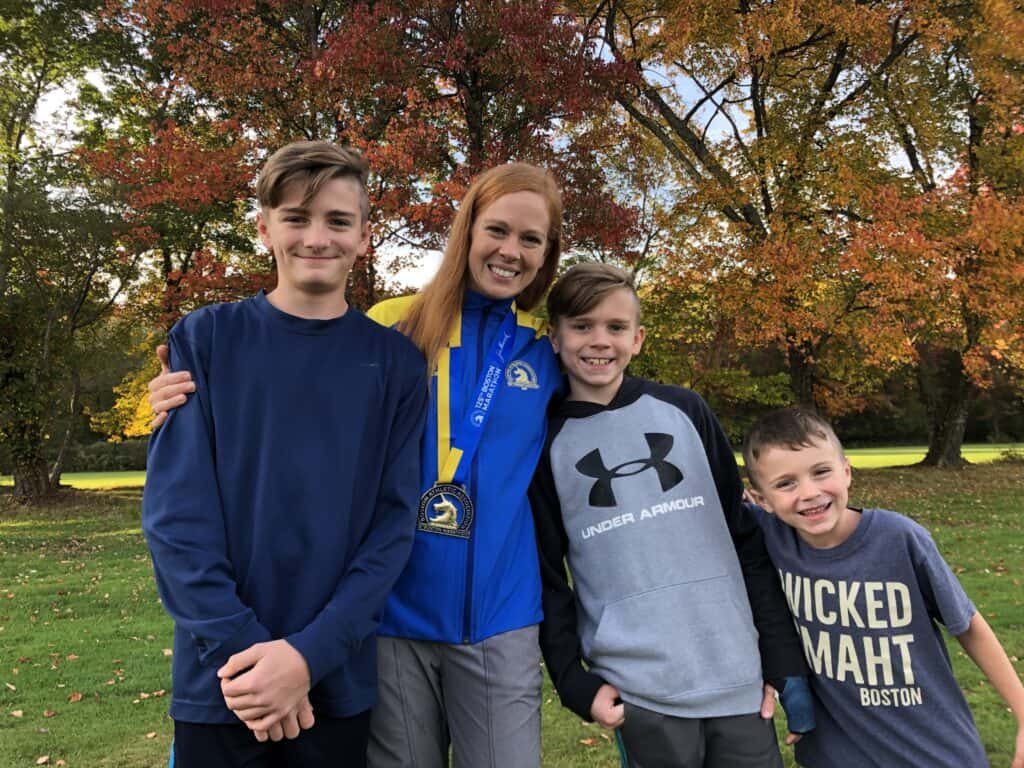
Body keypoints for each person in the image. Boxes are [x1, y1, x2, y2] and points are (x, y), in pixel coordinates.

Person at [147, 161, 565, 768]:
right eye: (497, 230)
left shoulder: (544, 350)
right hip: (378, 627)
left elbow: (602, 402)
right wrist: (167, 400)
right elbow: (187, 505)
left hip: (469, 622)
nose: (511, 250)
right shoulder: (397, 329)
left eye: (532, 239)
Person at [141, 140, 428, 768]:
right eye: (296, 218)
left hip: (334, 679)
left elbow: (391, 529)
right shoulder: (205, 339)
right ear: (265, 229)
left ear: (366, 236)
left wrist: (306, 658)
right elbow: (176, 520)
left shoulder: (397, 366)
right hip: (223, 683)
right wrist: (248, 655)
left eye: (337, 220)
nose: (316, 237)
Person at [529, 262, 814, 768]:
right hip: (642, 693)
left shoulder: (685, 411)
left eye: (615, 327)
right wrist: (574, 682)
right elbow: (549, 579)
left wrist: (780, 656)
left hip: (737, 677)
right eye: (581, 326)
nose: (600, 340)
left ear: (637, 339)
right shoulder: (544, 444)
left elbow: (745, 539)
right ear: (554, 338)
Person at [742, 407, 1024, 768]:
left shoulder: (899, 539)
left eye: (821, 472)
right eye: (786, 484)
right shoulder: (770, 538)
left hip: (934, 752)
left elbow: (968, 626)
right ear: (762, 499)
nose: (809, 492)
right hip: (835, 754)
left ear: (846, 472)